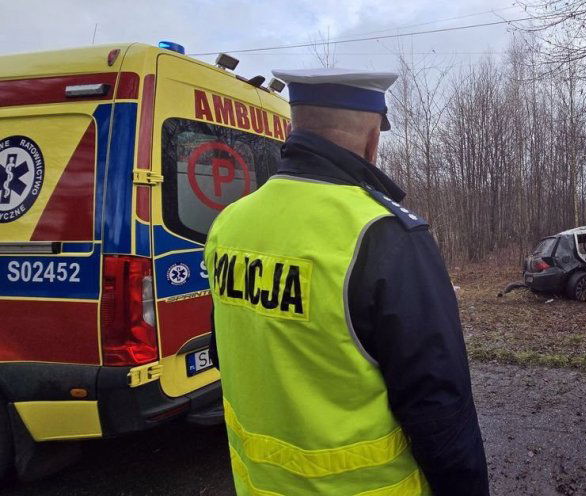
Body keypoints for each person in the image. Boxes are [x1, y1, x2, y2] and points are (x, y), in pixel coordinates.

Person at [205, 67, 489, 496]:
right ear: (373, 139)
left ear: (291, 127)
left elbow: (225, 350)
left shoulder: (229, 224)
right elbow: (438, 408)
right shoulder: (383, 235)